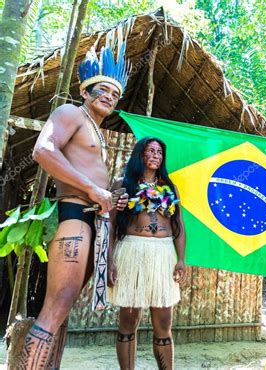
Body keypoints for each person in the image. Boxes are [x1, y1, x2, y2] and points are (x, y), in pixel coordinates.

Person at [18, 45, 130, 369]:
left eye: (114, 93)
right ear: (85, 90)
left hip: (91, 222)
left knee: (63, 311)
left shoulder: (96, 132)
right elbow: (43, 150)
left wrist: (110, 194)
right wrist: (95, 189)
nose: (109, 96)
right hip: (73, 218)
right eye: (103, 90)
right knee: (56, 306)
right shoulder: (70, 113)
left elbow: (95, 187)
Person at [107, 137, 186, 370]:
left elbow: (179, 226)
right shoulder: (123, 184)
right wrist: (109, 261)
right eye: (150, 150)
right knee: (129, 319)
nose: (155, 155)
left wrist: (181, 259)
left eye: (160, 152)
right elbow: (109, 225)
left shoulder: (170, 188)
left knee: (164, 320)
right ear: (139, 154)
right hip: (132, 250)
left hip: (163, 254)